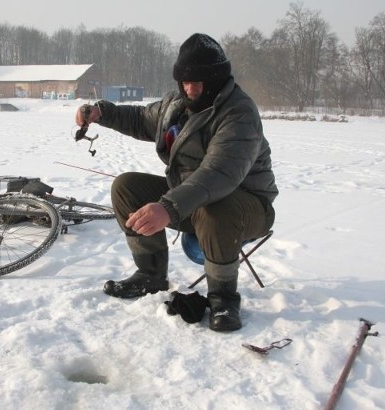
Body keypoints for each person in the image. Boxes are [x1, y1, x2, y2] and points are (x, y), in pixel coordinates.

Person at [74, 33, 278, 332]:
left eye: (198, 82)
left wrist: (168, 207)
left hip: (246, 205)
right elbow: (143, 118)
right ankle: (150, 275)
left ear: (218, 78)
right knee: (126, 186)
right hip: (191, 200)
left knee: (216, 207)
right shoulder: (178, 103)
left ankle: (223, 297)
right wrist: (101, 112)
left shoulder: (239, 112)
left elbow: (220, 172)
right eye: (184, 81)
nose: (190, 88)